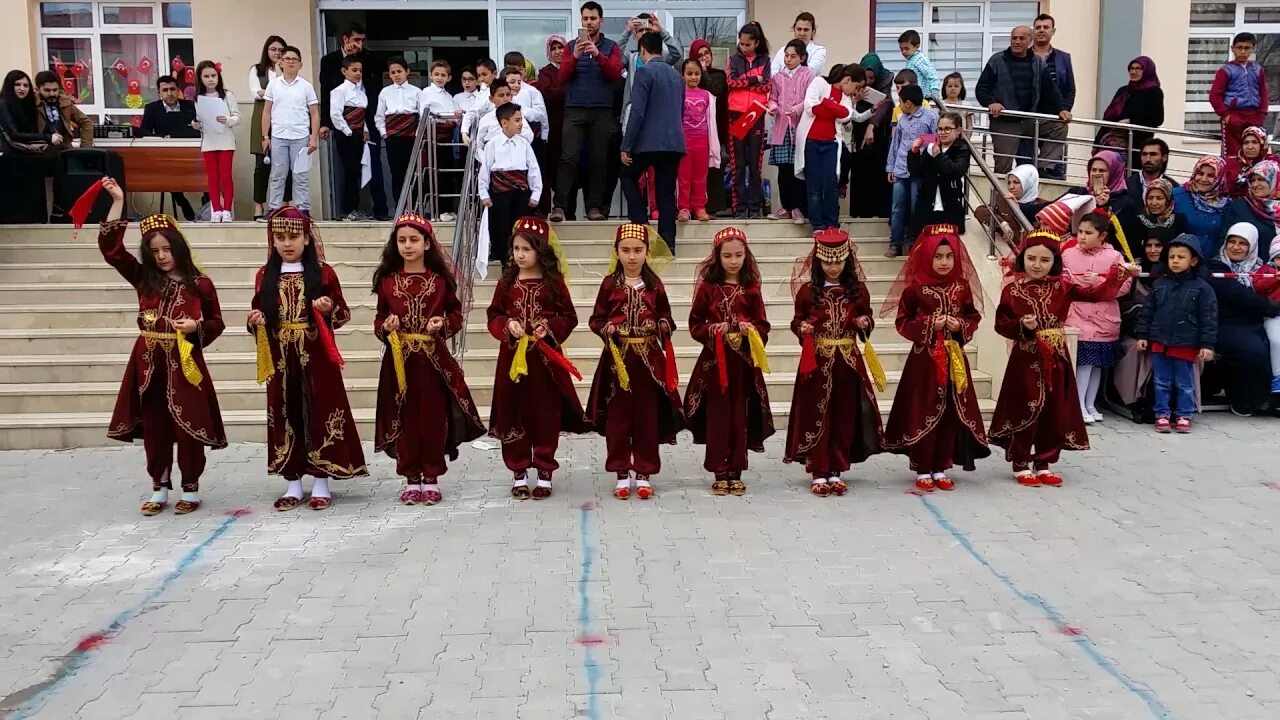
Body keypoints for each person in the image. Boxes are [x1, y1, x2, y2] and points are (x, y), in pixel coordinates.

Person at [95, 178, 226, 515]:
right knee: (155, 426)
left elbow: (217, 322)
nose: (162, 256)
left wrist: (196, 327)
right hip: (148, 363)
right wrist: (118, 200)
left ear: (178, 248)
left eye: (167, 249)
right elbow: (113, 251)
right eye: (154, 252)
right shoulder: (143, 278)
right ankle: (160, 487)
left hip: (185, 363)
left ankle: (192, 488)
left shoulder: (201, 284)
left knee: (187, 428)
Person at [989, 232, 1137, 486]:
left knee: (1052, 408)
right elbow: (1001, 324)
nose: (1037, 265)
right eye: (1032, 258)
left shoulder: (1063, 287)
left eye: (1044, 260)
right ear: (1022, 259)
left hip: (1056, 355)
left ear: (1054, 262)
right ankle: (1021, 462)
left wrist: (1119, 273)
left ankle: (1044, 462)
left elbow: (1097, 294)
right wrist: (1022, 325)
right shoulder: (1012, 290)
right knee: (1026, 405)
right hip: (1025, 357)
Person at [249, 208, 367, 510]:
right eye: (280, 237)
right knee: (285, 412)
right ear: (272, 240)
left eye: (294, 236)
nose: (287, 243)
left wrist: (328, 309)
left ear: (306, 238)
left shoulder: (324, 273)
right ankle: (292, 482)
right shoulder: (265, 275)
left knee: (320, 410)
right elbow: (258, 316)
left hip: (316, 354)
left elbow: (342, 313)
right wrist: (256, 320)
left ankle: (320, 481)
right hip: (280, 356)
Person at [373, 213, 485, 506]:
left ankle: (432, 476)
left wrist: (442, 325)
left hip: (433, 361)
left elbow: (456, 315)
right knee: (406, 418)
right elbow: (379, 318)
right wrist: (386, 328)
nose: (407, 246)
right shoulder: (387, 281)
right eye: (401, 240)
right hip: (400, 362)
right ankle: (411, 478)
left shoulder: (439, 281)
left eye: (413, 240)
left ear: (426, 243)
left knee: (433, 419)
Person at [486, 217, 588, 499]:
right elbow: (493, 315)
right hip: (512, 360)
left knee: (546, 413)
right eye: (516, 248)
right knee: (513, 410)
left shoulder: (553, 283)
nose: (520, 255)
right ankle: (518, 472)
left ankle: (544, 471)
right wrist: (508, 325)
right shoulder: (506, 282)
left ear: (540, 251)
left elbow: (569, 316)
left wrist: (549, 328)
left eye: (526, 249)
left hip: (545, 362)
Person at [882, 224, 989, 491]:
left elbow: (972, 317)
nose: (943, 262)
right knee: (923, 409)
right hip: (924, 362)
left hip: (954, 359)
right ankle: (922, 466)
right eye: (937, 256)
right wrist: (931, 325)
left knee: (950, 411)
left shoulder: (961, 286)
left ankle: (942, 464)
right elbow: (903, 322)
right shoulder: (915, 289)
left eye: (949, 256)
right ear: (926, 256)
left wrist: (959, 326)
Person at [586, 223, 684, 500]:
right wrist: (606, 328)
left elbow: (667, 318)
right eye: (626, 250)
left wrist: (662, 325)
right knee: (618, 419)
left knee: (646, 419)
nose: (632, 256)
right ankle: (620, 472)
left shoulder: (655, 285)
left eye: (638, 250)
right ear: (616, 252)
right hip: (617, 362)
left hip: (650, 363)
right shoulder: (609, 284)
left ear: (647, 252)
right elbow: (596, 319)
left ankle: (644, 472)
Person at [784, 228, 884, 495]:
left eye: (838, 261)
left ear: (847, 261)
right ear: (818, 261)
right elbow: (796, 321)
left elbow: (867, 318)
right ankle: (818, 469)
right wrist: (802, 328)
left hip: (848, 362)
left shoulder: (858, 291)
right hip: (816, 363)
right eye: (828, 261)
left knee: (844, 413)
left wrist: (864, 323)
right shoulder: (807, 292)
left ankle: (837, 469)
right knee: (818, 412)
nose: (833, 267)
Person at [684, 227, 774, 496]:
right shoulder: (708, 289)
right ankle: (719, 471)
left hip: (744, 366)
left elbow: (764, 325)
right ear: (717, 257)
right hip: (714, 365)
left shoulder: (752, 290)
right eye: (727, 255)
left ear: (746, 255)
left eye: (739, 255)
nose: (734, 261)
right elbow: (695, 324)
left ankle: (736, 471)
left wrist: (751, 330)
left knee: (740, 415)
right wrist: (713, 330)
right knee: (718, 416)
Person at [1135, 234, 1219, 432]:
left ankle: (1184, 414)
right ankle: (1162, 414)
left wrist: (1207, 345)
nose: (1175, 261)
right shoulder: (1160, 284)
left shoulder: (1203, 288)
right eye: (1172, 257)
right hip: (1159, 342)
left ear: (1194, 260)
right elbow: (1147, 312)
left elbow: (1209, 318)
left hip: (1186, 343)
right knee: (1161, 381)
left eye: (1181, 257)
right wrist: (1142, 335)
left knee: (1184, 383)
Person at [550, 1, 624, 223]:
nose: (589, 23)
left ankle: (595, 207)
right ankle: (560, 207)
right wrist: (574, 56)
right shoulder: (572, 45)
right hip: (575, 110)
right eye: (585, 19)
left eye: (593, 18)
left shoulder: (612, 47)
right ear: (581, 21)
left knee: (598, 159)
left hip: (601, 111)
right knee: (568, 158)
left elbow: (615, 73)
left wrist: (598, 55)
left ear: (601, 21)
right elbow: (562, 77)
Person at [1063, 212, 1133, 423]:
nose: (1082, 237)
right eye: (1080, 232)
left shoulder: (1114, 257)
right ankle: (1078, 405)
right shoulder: (1068, 254)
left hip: (1105, 318)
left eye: (1088, 233)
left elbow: (1125, 285)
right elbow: (1064, 279)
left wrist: (1101, 281)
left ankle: (1090, 403)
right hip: (1077, 314)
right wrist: (1085, 283)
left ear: (1102, 235)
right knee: (1083, 364)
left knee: (1097, 367)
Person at [620, 31, 687, 251]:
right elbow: (681, 109)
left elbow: (637, 111)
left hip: (648, 142)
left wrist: (627, 145)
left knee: (628, 177)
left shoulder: (644, 72)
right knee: (666, 193)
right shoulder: (677, 76)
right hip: (674, 142)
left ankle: (641, 227)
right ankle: (667, 245)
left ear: (642, 50)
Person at [1207, 222, 1279, 415]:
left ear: (1252, 246)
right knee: (1253, 350)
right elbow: (1236, 294)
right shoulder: (1216, 266)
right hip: (1226, 321)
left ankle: (1271, 398)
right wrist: (1268, 307)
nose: (1236, 247)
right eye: (1232, 242)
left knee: (1273, 343)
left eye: (1243, 243)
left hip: (1254, 320)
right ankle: (1245, 400)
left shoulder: (1261, 267)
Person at [975, 26, 1069, 174]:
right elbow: (981, 88)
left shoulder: (1038, 62)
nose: (1017, 41)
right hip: (1005, 122)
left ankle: (1042, 167)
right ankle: (999, 197)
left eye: (1022, 38)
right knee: (1002, 169)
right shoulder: (997, 60)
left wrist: (1062, 109)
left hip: (1029, 120)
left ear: (1030, 41)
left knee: (1059, 127)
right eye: (1014, 38)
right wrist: (990, 102)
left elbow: (1051, 90)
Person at [319, 23, 387, 221]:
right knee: (349, 168)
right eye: (356, 40)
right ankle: (349, 210)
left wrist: (362, 52)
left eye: (362, 41)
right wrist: (325, 122)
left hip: (368, 118)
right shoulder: (329, 61)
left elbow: (383, 65)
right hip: (344, 121)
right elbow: (325, 93)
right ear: (345, 39)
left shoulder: (367, 59)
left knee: (373, 163)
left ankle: (381, 210)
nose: (359, 44)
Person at [795, 64, 863, 234]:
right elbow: (810, 107)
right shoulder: (819, 83)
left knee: (830, 183)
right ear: (847, 80)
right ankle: (817, 225)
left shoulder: (845, 98)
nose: (855, 92)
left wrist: (825, 103)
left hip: (831, 143)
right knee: (814, 185)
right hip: (810, 141)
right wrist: (832, 109)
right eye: (856, 87)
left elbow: (846, 115)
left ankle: (832, 223)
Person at [1111, 234, 1170, 423]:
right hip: (1134, 331)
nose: (1153, 250)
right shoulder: (1134, 272)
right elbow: (1125, 308)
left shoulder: (1174, 274)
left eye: (1159, 245)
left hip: (1166, 333)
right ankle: (1134, 400)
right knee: (1136, 349)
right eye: (1149, 245)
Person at [480, 103, 542, 263]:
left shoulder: (524, 144)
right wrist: (484, 193)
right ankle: (504, 261)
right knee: (501, 227)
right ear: (504, 122)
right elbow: (485, 170)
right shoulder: (492, 145)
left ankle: (521, 260)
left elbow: (534, 169)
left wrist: (536, 193)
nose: (521, 123)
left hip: (521, 192)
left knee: (521, 227)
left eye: (521, 119)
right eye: (517, 120)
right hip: (500, 192)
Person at [262, 47, 320, 216]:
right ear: (280, 62)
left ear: (300, 64)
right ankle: (274, 208)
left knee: (300, 175)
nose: (290, 62)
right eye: (287, 59)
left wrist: (313, 138)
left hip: (300, 136)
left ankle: (303, 209)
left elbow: (314, 113)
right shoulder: (273, 85)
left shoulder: (306, 86)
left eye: (294, 59)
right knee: (277, 174)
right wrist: (265, 136)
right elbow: (266, 112)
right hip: (278, 136)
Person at [726, 22, 772, 220]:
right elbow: (731, 83)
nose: (743, 48)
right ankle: (739, 208)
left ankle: (755, 208)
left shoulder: (765, 60)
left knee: (755, 164)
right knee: (738, 164)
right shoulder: (733, 59)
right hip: (737, 114)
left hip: (756, 113)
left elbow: (768, 85)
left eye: (747, 44)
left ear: (756, 42)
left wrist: (750, 83)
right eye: (741, 44)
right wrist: (755, 80)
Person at [886, 84, 938, 256]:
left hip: (920, 169)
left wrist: (922, 140)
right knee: (897, 208)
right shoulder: (902, 120)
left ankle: (915, 243)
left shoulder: (931, 116)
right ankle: (895, 243)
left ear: (908, 102)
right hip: (901, 168)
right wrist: (890, 167)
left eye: (900, 101)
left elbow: (938, 138)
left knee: (917, 207)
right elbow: (896, 144)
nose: (899, 105)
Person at [141, 75, 199, 221]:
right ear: (159, 93)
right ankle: (182, 201)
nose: (169, 93)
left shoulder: (190, 106)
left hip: (189, 154)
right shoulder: (152, 108)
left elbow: (200, 128)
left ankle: (208, 206)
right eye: (165, 90)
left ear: (178, 90)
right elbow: (144, 132)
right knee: (169, 173)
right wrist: (160, 138)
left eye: (172, 89)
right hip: (165, 155)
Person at [767, 41, 813, 222]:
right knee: (784, 170)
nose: (788, 59)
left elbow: (811, 99)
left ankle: (799, 208)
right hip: (782, 128)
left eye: (793, 56)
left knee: (799, 169)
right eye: (786, 55)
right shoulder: (777, 77)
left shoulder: (808, 74)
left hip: (800, 128)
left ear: (801, 57)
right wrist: (772, 107)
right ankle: (787, 207)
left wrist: (799, 108)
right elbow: (772, 98)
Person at [1066, 150, 1141, 258]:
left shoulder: (1126, 203)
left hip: (1108, 259)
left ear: (1114, 173)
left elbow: (1122, 238)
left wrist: (1102, 207)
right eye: (1093, 170)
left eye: (1102, 170)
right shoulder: (1078, 193)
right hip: (1075, 254)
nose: (1096, 174)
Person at [908, 111, 970, 238]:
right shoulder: (932, 146)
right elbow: (916, 172)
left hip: (949, 207)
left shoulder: (961, 149)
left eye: (947, 129)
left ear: (957, 131)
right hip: (927, 206)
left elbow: (956, 171)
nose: (942, 132)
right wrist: (914, 153)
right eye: (940, 129)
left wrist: (938, 156)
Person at [1096, 57, 1164, 171]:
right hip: (1113, 136)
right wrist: (1097, 141)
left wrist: (1131, 121)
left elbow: (1157, 119)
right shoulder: (1124, 91)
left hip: (1137, 141)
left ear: (1147, 70)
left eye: (1138, 68)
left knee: (1129, 177)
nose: (1133, 72)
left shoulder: (1154, 92)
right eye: (1131, 68)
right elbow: (1109, 116)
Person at [248, 36, 290, 221]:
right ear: (267, 50)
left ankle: (284, 205)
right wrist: (273, 92)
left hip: (283, 119)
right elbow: (256, 92)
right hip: (262, 117)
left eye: (281, 50)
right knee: (261, 166)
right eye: (273, 49)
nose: (277, 53)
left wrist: (282, 72)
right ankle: (259, 206)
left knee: (284, 164)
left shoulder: (287, 71)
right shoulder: (257, 70)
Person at [0, 70, 49, 224]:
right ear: (9, 86)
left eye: (26, 85)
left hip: (26, 157)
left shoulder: (26, 105)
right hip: (11, 158)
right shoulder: (3, 103)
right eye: (17, 84)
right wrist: (46, 138)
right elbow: (14, 134)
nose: (22, 88)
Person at [848, 55, 894, 219]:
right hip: (859, 129)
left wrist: (872, 126)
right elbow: (848, 109)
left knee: (878, 170)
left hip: (879, 132)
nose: (868, 82)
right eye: (865, 78)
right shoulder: (852, 80)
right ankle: (861, 212)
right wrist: (855, 99)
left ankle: (880, 212)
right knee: (861, 170)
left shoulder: (886, 79)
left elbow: (884, 105)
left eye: (872, 78)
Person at [374, 56, 424, 207]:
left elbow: (422, 116)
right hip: (393, 138)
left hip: (411, 138)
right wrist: (385, 134)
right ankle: (399, 208)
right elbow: (379, 116)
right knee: (396, 174)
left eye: (399, 71)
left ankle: (414, 208)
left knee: (414, 172)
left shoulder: (417, 92)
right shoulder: (385, 92)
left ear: (407, 71)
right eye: (393, 72)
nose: (396, 74)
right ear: (389, 74)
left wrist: (417, 135)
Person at [193, 61, 239, 223]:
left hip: (225, 140)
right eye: (206, 76)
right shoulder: (198, 98)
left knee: (225, 175)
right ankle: (216, 210)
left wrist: (226, 119)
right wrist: (196, 124)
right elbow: (199, 119)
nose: (211, 79)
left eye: (213, 75)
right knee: (212, 177)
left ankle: (227, 209)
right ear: (200, 78)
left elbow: (236, 117)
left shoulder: (227, 95)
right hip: (209, 141)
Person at [1030, 13, 1074, 179]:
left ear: (1053, 31)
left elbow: (1070, 88)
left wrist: (1065, 110)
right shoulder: (1024, 56)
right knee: (1025, 161)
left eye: (1046, 27)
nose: (1042, 30)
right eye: (1038, 27)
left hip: (1054, 117)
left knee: (1055, 168)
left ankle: (1045, 170)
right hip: (1028, 115)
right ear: (1033, 31)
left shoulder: (1063, 58)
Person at [1211, 31, 1269, 158]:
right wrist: (1226, 115)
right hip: (1233, 116)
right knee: (1233, 154)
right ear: (1233, 49)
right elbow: (1215, 96)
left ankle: (1253, 178)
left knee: (1254, 151)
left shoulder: (1258, 70)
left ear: (1253, 49)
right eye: (1239, 48)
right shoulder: (1225, 70)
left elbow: (1263, 93)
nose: (1243, 51)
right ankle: (1232, 177)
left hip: (1254, 116)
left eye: (1247, 48)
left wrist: (1262, 113)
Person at [676, 59, 720, 223]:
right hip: (684, 142)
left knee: (700, 176)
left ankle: (700, 207)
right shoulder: (679, 94)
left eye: (696, 74)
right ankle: (684, 208)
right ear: (683, 75)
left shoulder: (707, 95)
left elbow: (712, 121)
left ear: (701, 75)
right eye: (689, 74)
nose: (693, 77)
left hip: (703, 141)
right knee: (684, 176)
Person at [691, 39, 731, 216]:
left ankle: (712, 207)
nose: (704, 58)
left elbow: (715, 92)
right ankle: (693, 206)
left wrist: (705, 72)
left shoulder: (719, 75)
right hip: (693, 130)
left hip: (716, 131)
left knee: (715, 166)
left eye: (706, 54)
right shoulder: (689, 76)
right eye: (699, 56)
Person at [620, 12, 681, 127]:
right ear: (635, 35)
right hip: (635, 109)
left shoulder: (662, 56)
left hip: (657, 110)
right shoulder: (631, 57)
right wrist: (627, 31)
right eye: (640, 30)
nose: (644, 34)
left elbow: (677, 53)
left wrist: (662, 31)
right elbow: (615, 56)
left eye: (647, 30)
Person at [330, 56, 369, 222]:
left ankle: (355, 208)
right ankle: (347, 210)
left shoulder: (361, 92)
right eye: (354, 70)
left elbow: (362, 114)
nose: (358, 73)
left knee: (356, 172)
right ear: (344, 71)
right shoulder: (339, 91)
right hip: (347, 135)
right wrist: (348, 131)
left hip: (358, 135)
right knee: (349, 172)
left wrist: (364, 130)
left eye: (360, 70)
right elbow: (336, 114)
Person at [423, 60, 463, 221]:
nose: (439, 78)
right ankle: (436, 210)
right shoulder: (426, 92)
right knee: (433, 175)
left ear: (449, 77)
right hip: (433, 139)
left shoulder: (449, 96)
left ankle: (446, 209)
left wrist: (456, 118)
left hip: (447, 140)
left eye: (443, 75)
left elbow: (456, 117)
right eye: (436, 74)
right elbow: (424, 116)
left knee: (446, 175)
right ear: (431, 75)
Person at [1218, 159, 1280, 258]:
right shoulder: (1240, 207)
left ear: (1274, 180)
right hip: (1250, 271)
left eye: (1261, 179)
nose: (1255, 185)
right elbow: (1224, 242)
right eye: (1252, 180)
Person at [537, 37, 569, 213]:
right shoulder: (545, 72)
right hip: (552, 130)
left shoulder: (573, 69)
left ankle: (568, 211)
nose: (558, 51)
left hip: (572, 128)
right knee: (553, 170)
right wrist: (569, 91)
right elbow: (547, 94)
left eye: (561, 47)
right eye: (554, 48)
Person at [975, 164, 1046, 243]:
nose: (1011, 187)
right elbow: (980, 211)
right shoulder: (1004, 200)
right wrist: (1003, 224)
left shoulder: (1042, 206)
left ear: (1028, 183)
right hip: (1008, 251)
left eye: (1016, 182)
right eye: (1009, 183)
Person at [1171, 156, 1229, 247]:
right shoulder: (1176, 196)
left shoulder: (1226, 204)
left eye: (1210, 175)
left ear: (1219, 178)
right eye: (1200, 173)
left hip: (1211, 259)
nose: (1203, 179)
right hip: (1180, 257)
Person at [34, 70, 93, 148]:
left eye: (55, 90)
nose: (52, 94)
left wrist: (86, 149)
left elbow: (86, 122)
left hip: (64, 151)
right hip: (40, 152)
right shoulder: (32, 104)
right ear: (38, 89)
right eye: (47, 90)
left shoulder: (65, 102)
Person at [1224, 126, 1277, 198]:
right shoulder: (1229, 163)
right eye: (1246, 143)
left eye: (1254, 142)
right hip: (1233, 205)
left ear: (1262, 144)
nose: (1250, 147)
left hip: (1266, 205)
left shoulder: (1273, 163)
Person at [771, 12, 827, 77]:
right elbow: (773, 72)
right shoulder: (783, 50)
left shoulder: (819, 51)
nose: (802, 33)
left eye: (806, 30)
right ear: (794, 29)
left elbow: (807, 73)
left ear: (813, 32)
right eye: (799, 29)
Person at [1136, 179, 1187, 248]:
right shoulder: (1137, 220)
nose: (1154, 203)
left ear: (1168, 200)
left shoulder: (1179, 220)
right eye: (1150, 198)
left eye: (1159, 198)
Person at [1125, 138, 1173, 206]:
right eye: (1144, 154)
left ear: (1164, 157)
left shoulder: (1173, 188)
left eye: (1153, 154)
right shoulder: (1126, 185)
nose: (1148, 159)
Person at [898, 30, 940, 98]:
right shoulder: (911, 60)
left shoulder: (919, 59)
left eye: (906, 48)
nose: (903, 52)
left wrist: (934, 93)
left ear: (917, 46)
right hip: (915, 98)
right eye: (901, 49)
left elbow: (932, 75)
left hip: (924, 98)